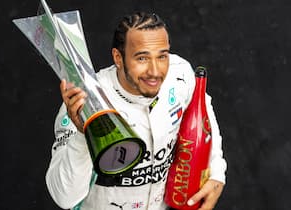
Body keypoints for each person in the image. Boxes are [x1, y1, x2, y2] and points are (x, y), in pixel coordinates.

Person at [46, 11, 227, 210]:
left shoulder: (180, 73)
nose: (155, 71)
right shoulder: (86, 101)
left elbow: (204, 113)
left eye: (162, 56)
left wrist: (217, 171)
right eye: (142, 58)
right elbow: (64, 197)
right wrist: (83, 134)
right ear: (118, 57)